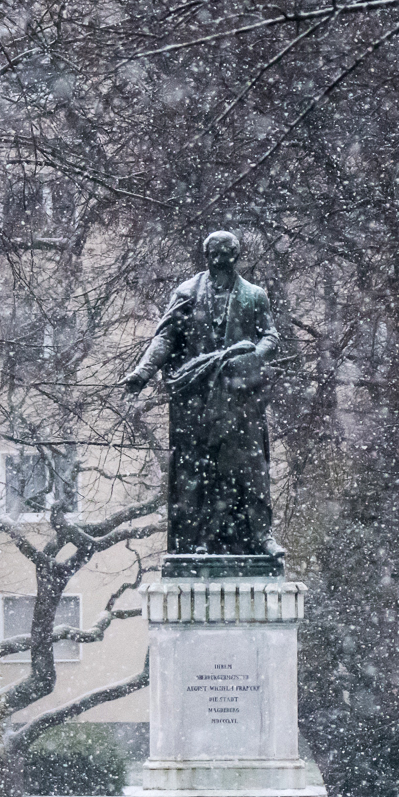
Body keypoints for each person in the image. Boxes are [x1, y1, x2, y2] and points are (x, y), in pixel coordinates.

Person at [122, 231, 285, 557]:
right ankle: (199, 540)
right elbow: (165, 338)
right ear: (206, 256)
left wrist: (249, 359)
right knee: (199, 471)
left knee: (252, 469)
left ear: (235, 257)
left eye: (225, 255)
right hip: (196, 400)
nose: (219, 261)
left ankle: (261, 535)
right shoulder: (186, 293)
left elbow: (271, 338)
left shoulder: (254, 295)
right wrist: (142, 372)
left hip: (241, 399)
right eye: (213, 255)